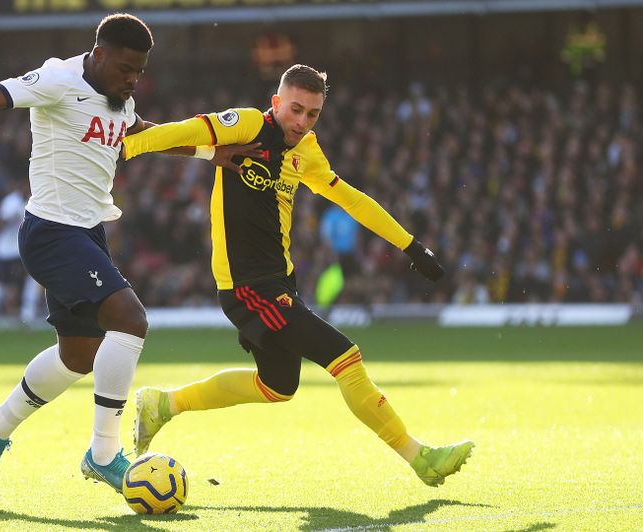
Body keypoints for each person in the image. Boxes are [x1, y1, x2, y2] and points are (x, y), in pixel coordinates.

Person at [0, 13, 255, 493]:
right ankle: (103, 454)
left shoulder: (121, 97)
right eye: (125, 68)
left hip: (88, 233)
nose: (132, 78)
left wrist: (209, 154)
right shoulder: (58, 79)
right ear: (98, 54)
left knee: (79, 356)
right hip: (51, 232)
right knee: (131, 320)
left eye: (139, 71)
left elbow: (140, 133)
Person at [123, 65, 474, 487]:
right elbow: (182, 131)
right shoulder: (247, 125)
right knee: (346, 358)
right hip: (248, 287)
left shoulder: (306, 151)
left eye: (312, 114)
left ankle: (162, 404)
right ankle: (419, 458)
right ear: (276, 103)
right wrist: (125, 146)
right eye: (295, 110)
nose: (302, 122)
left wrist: (411, 245)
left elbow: (352, 200)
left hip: (279, 284)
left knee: (277, 386)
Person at [0, 183, 43, 326]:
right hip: (6, 251)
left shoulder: (35, 201)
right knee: (1, 283)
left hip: (20, 250)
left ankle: (27, 314)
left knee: (30, 279)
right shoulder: (12, 201)